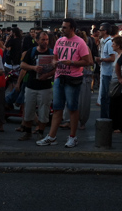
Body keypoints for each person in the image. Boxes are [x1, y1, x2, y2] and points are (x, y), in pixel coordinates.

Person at [36, 19, 92, 148]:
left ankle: (73, 136)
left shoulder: (80, 42)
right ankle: (52, 136)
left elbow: (88, 61)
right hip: (59, 77)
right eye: (62, 27)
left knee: (72, 108)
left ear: (72, 28)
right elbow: (55, 56)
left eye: (65, 27)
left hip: (73, 78)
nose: (62, 29)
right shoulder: (59, 41)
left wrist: (71, 63)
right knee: (57, 108)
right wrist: (55, 62)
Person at [18, 31, 54, 141]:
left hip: (45, 86)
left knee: (44, 111)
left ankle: (40, 132)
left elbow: (57, 68)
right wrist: (34, 68)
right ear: (37, 40)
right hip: (31, 85)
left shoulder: (52, 53)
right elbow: (22, 64)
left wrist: (48, 74)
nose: (45, 42)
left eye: (47, 39)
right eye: (43, 40)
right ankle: (27, 132)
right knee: (29, 110)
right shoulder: (31, 51)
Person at [95, 23, 116, 119]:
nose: (99, 31)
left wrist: (101, 59)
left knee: (106, 97)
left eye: (101, 29)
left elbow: (112, 58)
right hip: (104, 72)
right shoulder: (104, 42)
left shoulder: (109, 43)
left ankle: (106, 118)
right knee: (104, 97)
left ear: (105, 31)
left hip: (108, 73)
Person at [110, 36, 122, 133]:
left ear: (118, 45)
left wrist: (120, 78)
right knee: (115, 105)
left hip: (119, 84)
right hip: (116, 82)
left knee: (118, 105)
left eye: (114, 44)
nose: (112, 45)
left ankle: (120, 126)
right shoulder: (118, 55)